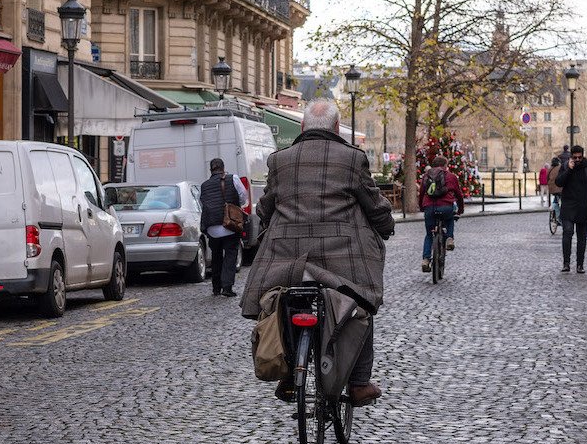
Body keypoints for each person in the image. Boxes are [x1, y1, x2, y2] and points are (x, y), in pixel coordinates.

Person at [240, 98, 394, 405]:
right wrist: (385, 226)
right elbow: (374, 206)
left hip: (288, 256)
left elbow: (265, 207)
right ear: (337, 127)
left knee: (284, 300)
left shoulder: (279, 160)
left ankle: (287, 374)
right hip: (342, 257)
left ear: (302, 126)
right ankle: (359, 383)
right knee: (361, 303)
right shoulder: (352, 159)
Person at [199, 157, 248, 298]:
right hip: (230, 225)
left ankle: (216, 288)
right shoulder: (232, 178)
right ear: (223, 167)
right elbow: (243, 197)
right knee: (231, 255)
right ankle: (227, 287)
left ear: (211, 169)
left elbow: (203, 204)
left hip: (212, 228)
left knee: (216, 257)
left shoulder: (204, 185)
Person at [555, 144, 587, 274]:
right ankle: (566, 263)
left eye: (579, 157)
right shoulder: (565, 166)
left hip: (583, 206)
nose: (577, 160)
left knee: (581, 237)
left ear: (582, 155)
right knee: (567, 232)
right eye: (574, 157)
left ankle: (580, 264)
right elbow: (559, 182)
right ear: (571, 156)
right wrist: (569, 170)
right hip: (568, 205)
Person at [419, 155, 465, 270]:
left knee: (429, 234)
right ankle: (449, 238)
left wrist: (421, 207)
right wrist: (460, 210)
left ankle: (425, 260)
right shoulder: (451, 176)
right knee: (450, 219)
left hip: (429, 207)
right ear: (445, 165)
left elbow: (421, 193)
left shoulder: (426, 175)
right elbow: (459, 195)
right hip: (446, 206)